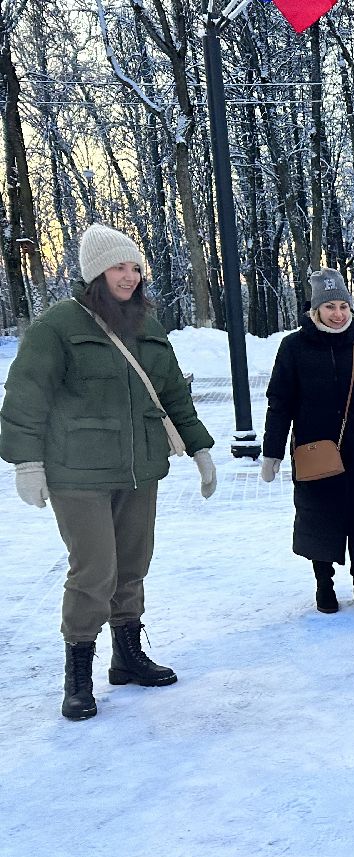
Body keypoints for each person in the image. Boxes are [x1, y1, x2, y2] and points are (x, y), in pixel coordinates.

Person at [1, 223, 217, 721]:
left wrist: (200, 448)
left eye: (134, 267)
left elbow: (171, 393)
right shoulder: (59, 326)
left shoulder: (147, 324)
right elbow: (26, 395)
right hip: (77, 472)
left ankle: (127, 657)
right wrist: (27, 462)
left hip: (140, 469)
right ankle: (78, 674)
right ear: (96, 273)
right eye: (118, 267)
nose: (129, 276)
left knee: (133, 564)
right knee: (94, 569)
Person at [261, 269, 354, 614]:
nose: (338, 313)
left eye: (343, 306)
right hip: (313, 453)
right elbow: (279, 403)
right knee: (319, 519)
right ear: (316, 310)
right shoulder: (293, 347)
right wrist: (272, 452)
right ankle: (323, 585)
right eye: (330, 307)